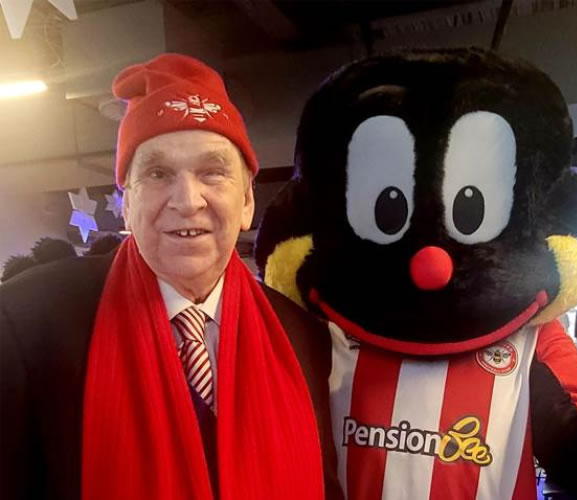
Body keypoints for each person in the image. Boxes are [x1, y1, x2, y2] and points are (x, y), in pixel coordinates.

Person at [0, 54, 340, 500]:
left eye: (212, 172)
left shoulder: (303, 339)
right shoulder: (25, 324)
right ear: (125, 202)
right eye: (158, 173)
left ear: (246, 203)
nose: (187, 199)